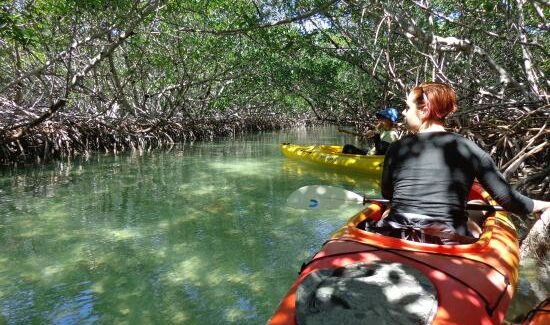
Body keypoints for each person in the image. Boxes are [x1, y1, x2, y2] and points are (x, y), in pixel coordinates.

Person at [373, 82, 550, 244]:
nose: (403, 113)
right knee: (480, 207)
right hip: (446, 238)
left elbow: (388, 193)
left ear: (424, 109)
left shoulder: (396, 148)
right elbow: (510, 202)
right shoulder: (470, 149)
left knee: (389, 210)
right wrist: (544, 205)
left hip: (395, 231)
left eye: (407, 107)